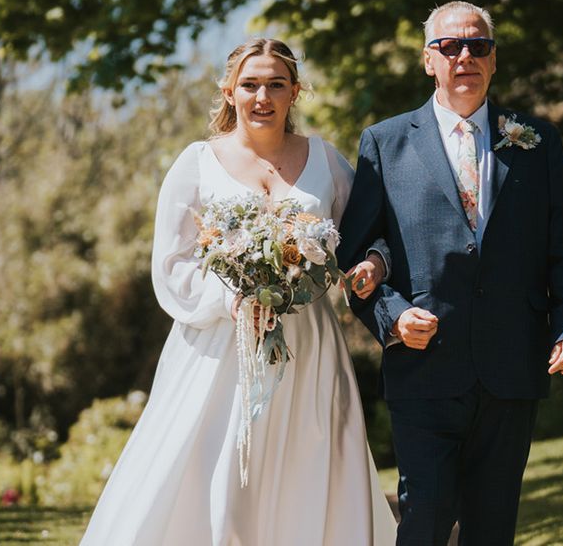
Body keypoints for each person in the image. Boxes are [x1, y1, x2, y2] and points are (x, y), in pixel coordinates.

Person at [79, 38, 396, 546]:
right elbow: (172, 264)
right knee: (216, 469)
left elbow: (364, 236)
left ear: (296, 92)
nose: (262, 96)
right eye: (249, 85)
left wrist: (372, 264)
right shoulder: (197, 162)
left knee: (306, 464)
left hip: (308, 346)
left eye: (276, 84)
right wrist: (230, 301)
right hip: (220, 347)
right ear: (229, 92)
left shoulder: (326, 161)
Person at [337, 1, 563, 546]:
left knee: (491, 528)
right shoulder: (384, 143)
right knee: (425, 520)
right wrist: (392, 316)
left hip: (511, 367)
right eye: (449, 47)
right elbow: (357, 259)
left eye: (478, 46)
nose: (465, 57)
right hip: (424, 370)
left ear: (494, 60)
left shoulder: (536, 141)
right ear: (428, 61)